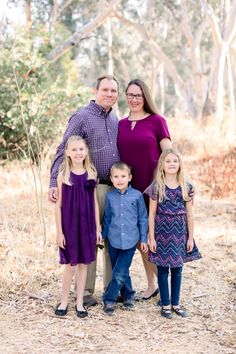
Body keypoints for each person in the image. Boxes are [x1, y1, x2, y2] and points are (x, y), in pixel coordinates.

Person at [49, 75, 120, 307]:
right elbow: (63, 149)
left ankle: (111, 289)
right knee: (88, 238)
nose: (110, 94)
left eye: (114, 91)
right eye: (106, 90)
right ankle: (86, 292)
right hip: (91, 186)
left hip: (114, 188)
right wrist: (53, 182)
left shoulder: (115, 119)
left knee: (110, 241)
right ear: (96, 90)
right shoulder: (82, 116)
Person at [117, 79, 172, 300]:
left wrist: (170, 182)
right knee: (141, 240)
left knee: (153, 238)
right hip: (129, 192)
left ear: (145, 97)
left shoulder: (157, 121)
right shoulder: (120, 124)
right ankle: (152, 285)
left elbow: (169, 154)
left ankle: (166, 287)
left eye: (138, 95)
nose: (133, 99)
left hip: (153, 189)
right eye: (130, 95)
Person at [145, 148, 201, 319]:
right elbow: (152, 214)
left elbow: (190, 214)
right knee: (162, 270)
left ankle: (176, 304)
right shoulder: (157, 187)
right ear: (162, 164)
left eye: (175, 161)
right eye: (168, 161)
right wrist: (151, 237)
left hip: (179, 233)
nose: (171, 164)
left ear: (179, 164)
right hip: (161, 233)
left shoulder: (187, 186)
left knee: (177, 269)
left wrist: (190, 237)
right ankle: (166, 304)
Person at [54, 136, 102, 318]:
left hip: (87, 225)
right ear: (67, 152)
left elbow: (95, 203)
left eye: (81, 149)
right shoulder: (63, 175)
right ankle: (64, 300)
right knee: (70, 265)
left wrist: (97, 228)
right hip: (70, 225)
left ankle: (80, 302)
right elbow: (58, 206)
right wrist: (59, 232)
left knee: (83, 265)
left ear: (86, 151)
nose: (78, 153)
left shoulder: (91, 173)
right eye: (74, 150)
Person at [102, 162, 148, 315]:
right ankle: (128, 295)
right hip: (113, 239)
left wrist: (143, 239)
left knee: (119, 273)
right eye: (116, 176)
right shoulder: (110, 196)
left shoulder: (137, 195)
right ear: (111, 178)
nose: (119, 179)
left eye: (123, 176)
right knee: (121, 270)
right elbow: (107, 217)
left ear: (130, 177)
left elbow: (143, 218)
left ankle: (109, 299)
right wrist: (102, 236)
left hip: (130, 240)